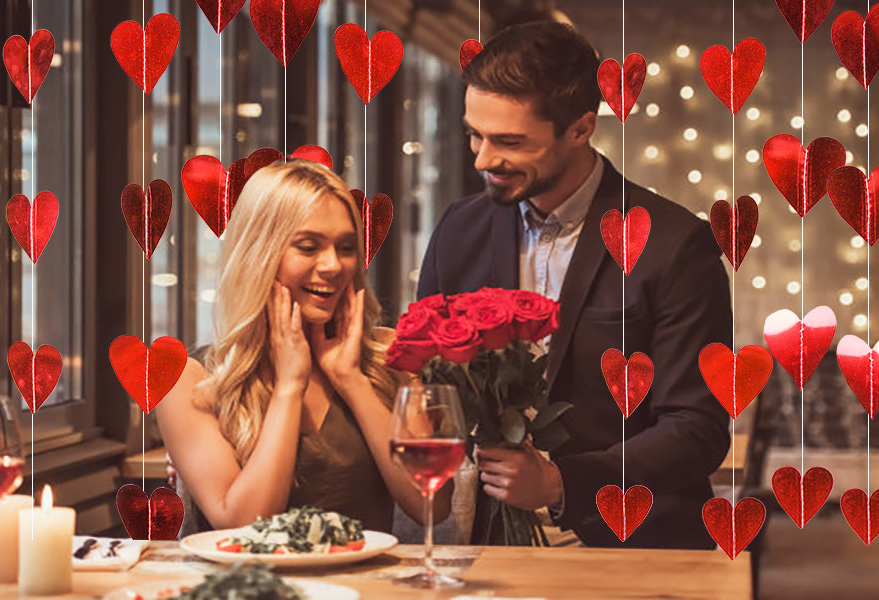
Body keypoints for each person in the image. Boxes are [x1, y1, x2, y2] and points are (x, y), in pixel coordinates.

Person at [417, 21, 732, 549]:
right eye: (474, 133)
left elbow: (696, 429)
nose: (482, 159)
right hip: (483, 544)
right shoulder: (457, 227)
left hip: (635, 544)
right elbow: (425, 382)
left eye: (509, 141)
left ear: (581, 129)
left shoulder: (676, 245)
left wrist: (562, 483)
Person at [157, 159, 450, 534]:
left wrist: (352, 380)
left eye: (345, 247)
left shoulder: (389, 355)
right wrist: (290, 386)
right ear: (259, 254)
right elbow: (243, 524)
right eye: (308, 247)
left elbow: (431, 504)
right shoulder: (186, 377)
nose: (332, 265)